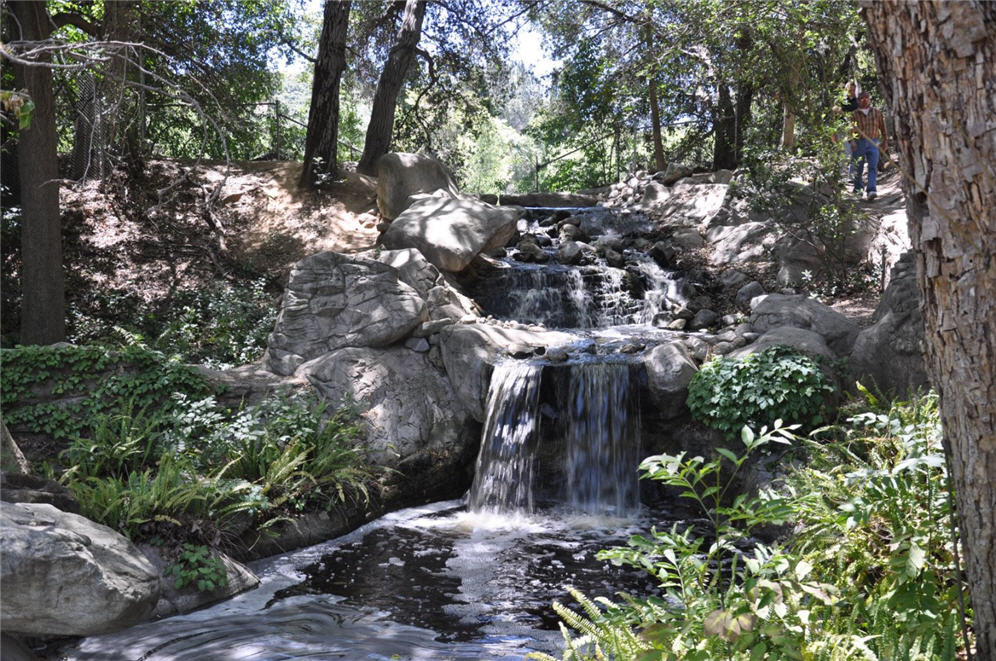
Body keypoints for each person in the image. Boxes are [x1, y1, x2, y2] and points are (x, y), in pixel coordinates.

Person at [849, 90, 889, 200]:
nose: (864, 99)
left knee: (873, 167)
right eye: (862, 98)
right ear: (858, 100)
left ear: (869, 99)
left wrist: (885, 141)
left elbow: (883, 128)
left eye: (866, 97)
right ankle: (858, 190)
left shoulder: (877, 112)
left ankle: (871, 190)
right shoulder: (854, 115)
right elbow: (850, 131)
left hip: (874, 142)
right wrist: (852, 141)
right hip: (859, 143)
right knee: (859, 167)